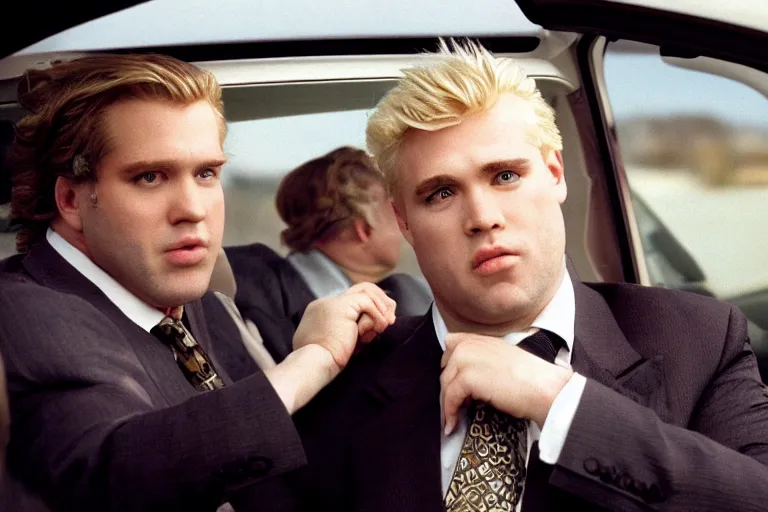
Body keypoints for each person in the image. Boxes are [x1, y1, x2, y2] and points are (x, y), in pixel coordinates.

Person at [283, 39, 768, 511]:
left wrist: (561, 404)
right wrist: (303, 370)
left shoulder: (699, 339)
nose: (482, 216)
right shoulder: (348, 379)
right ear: (404, 220)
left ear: (555, 174)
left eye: (505, 176)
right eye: (441, 193)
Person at [0, 53, 395, 512]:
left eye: (206, 173)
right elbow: (117, 471)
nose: (192, 207)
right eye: (149, 177)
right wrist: (311, 361)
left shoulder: (193, 300)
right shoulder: (22, 311)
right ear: (71, 200)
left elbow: (271, 462)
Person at [226, 146, 432, 361]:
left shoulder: (252, 286)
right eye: (393, 211)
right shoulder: (252, 294)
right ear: (363, 228)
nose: (404, 223)